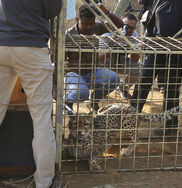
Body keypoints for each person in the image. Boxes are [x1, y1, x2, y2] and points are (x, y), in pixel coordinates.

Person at [0, 0, 62, 188]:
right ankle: (44, 183)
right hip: (32, 46)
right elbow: (53, 10)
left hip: (2, 44)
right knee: (42, 121)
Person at [131, 0, 182, 135]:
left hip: (181, 50)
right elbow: (151, 21)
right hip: (158, 46)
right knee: (144, 80)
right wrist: (143, 42)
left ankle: (170, 126)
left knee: (172, 86)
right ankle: (130, 118)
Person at [65, 3, 123, 111]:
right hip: (74, 73)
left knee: (114, 79)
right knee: (82, 93)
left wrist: (106, 12)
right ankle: (67, 102)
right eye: (85, 24)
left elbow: (119, 24)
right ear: (77, 19)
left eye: (91, 24)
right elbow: (60, 61)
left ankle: (94, 101)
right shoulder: (68, 35)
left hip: (92, 72)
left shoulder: (97, 27)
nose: (89, 27)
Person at [98, 13, 141, 99]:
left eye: (131, 28)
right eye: (125, 26)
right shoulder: (108, 34)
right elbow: (100, 57)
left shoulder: (134, 36)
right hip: (106, 63)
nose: (127, 30)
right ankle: (99, 92)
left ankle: (122, 88)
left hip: (121, 62)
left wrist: (133, 48)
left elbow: (135, 60)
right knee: (97, 68)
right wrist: (114, 46)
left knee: (139, 69)